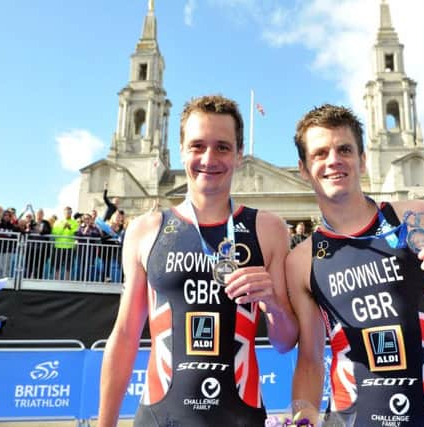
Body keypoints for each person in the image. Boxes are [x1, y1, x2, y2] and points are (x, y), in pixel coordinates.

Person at [285, 104, 424, 426]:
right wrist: (302, 416)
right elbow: (310, 362)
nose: (333, 160)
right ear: (303, 168)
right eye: (320, 153)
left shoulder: (417, 219)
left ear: (362, 159)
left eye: (344, 149)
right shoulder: (301, 260)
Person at [98, 95, 298, 427]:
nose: (209, 158)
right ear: (181, 150)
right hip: (160, 418)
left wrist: (273, 303)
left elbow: (284, 341)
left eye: (222, 146)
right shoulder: (146, 229)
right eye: (197, 146)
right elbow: (125, 335)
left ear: (239, 153)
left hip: (240, 418)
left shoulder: (268, 228)